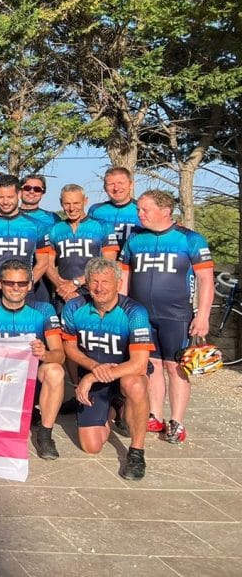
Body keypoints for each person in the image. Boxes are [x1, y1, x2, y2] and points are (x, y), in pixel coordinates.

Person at [119, 189, 214, 444]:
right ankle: (155, 415)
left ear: (165, 210)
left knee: (175, 367)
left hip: (176, 315)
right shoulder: (135, 239)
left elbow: (206, 279)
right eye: (139, 209)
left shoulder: (190, 239)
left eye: (144, 210)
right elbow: (124, 276)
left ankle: (177, 421)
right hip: (140, 314)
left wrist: (203, 316)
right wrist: (121, 309)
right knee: (151, 366)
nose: (139, 214)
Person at [61, 257, 153, 480]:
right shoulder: (74, 306)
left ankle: (137, 452)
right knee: (92, 446)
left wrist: (92, 377)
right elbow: (70, 349)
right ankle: (114, 407)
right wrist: (93, 368)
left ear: (118, 284)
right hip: (93, 369)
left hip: (125, 372)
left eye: (106, 282)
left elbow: (139, 364)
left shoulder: (135, 312)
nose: (99, 288)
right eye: (94, 281)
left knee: (134, 384)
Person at [0, 260, 65, 460]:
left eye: (21, 283)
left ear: (30, 285)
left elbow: (60, 354)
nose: (15, 288)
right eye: (9, 282)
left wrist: (44, 353)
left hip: (30, 382)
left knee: (55, 371)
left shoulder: (44, 310)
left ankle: (45, 434)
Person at [0, 174, 51, 304]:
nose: (5, 202)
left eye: (10, 197)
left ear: (19, 194)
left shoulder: (37, 226)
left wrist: (28, 283)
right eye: (1, 197)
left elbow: (43, 263)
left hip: (23, 292)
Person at [45, 184, 119, 313]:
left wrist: (75, 283)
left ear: (85, 201)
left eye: (76, 203)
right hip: (63, 294)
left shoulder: (103, 227)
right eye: (67, 203)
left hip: (94, 291)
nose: (72, 208)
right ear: (61, 203)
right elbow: (47, 264)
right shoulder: (55, 229)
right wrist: (62, 288)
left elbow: (109, 263)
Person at [87, 166, 141, 250]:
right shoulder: (95, 211)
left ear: (131, 185)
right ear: (105, 188)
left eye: (121, 183)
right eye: (111, 184)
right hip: (104, 261)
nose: (116, 188)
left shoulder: (142, 209)